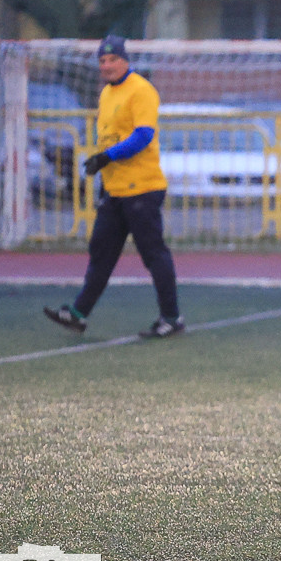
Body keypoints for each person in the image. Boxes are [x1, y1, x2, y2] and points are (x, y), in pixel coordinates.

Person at [44, 35, 184, 339]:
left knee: (153, 253)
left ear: (125, 60)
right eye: (102, 61)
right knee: (101, 251)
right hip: (115, 189)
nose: (106, 65)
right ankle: (78, 314)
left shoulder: (142, 90)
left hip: (142, 188)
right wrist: (104, 164)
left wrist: (108, 156)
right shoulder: (106, 93)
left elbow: (143, 135)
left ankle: (171, 318)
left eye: (112, 59)